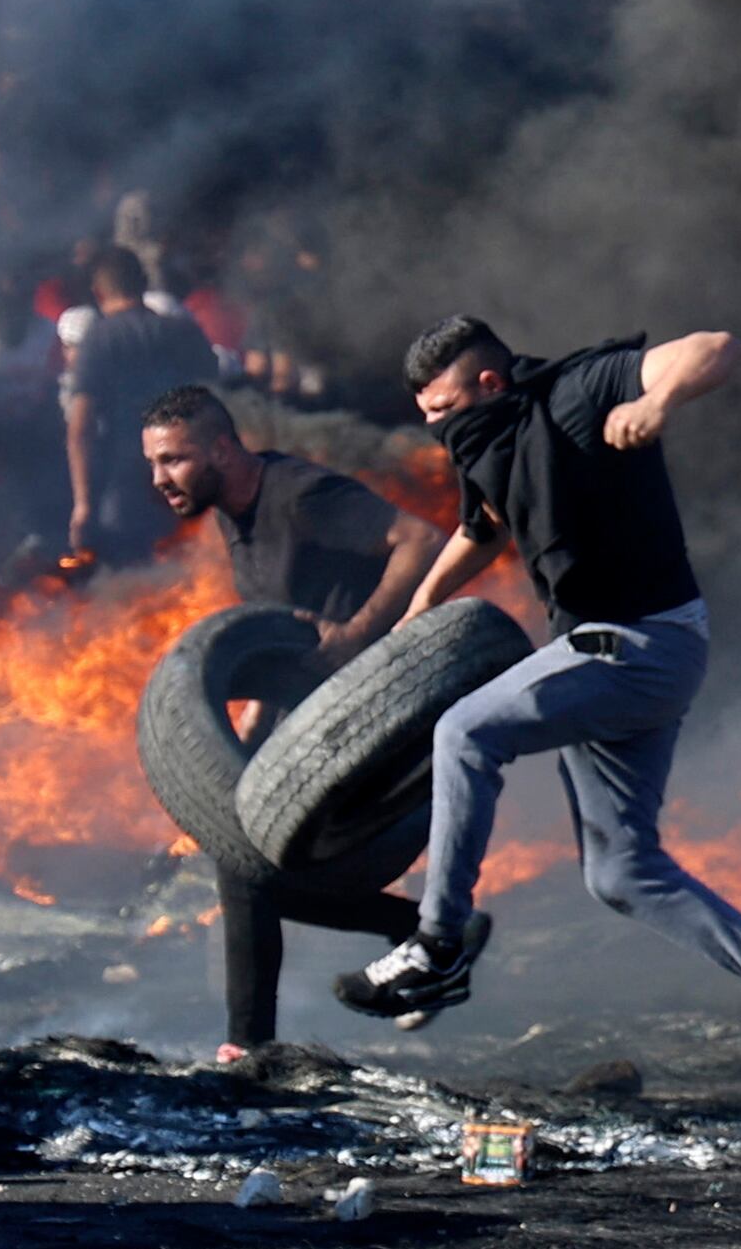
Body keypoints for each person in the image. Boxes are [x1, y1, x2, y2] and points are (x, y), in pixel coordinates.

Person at [336, 316, 741, 1105]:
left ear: (489, 383)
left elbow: (718, 348)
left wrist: (661, 404)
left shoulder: (578, 391)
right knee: (620, 872)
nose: (440, 429)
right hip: (609, 651)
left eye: (445, 410)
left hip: (642, 644)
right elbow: (481, 529)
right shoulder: (492, 445)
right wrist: (421, 604)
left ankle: (439, 944)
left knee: (465, 733)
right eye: (428, 418)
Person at [140, 383, 455, 1056]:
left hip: (382, 719)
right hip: (322, 722)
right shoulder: (236, 515)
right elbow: (275, 641)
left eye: (174, 460)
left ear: (222, 449)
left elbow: (419, 540)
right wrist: (226, 761)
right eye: (155, 464)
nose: (160, 480)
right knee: (249, 867)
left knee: (247, 868)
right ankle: (411, 927)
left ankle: (247, 1046)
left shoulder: (300, 495)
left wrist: (356, 635)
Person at [61, 247, 216, 563]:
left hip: (128, 478)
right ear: (144, 282)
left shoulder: (98, 340)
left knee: (132, 572)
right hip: (193, 469)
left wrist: (83, 504)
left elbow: (81, 427)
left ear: (98, 292)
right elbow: (222, 401)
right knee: (191, 565)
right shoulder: (183, 331)